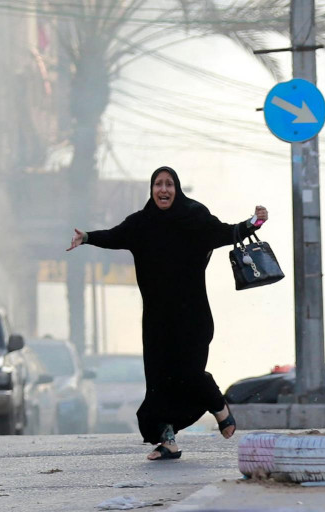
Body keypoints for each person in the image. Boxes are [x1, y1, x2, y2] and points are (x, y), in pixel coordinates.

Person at [66, 166, 268, 460]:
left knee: (188, 374)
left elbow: (226, 232)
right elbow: (113, 236)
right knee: (159, 383)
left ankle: (219, 407)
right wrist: (86, 237)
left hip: (193, 317)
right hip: (157, 321)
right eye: (158, 184)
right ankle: (168, 440)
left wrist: (254, 222)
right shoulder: (141, 224)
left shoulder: (194, 217)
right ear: (152, 190)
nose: (163, 190)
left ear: (177, 189)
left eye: (169, 184)